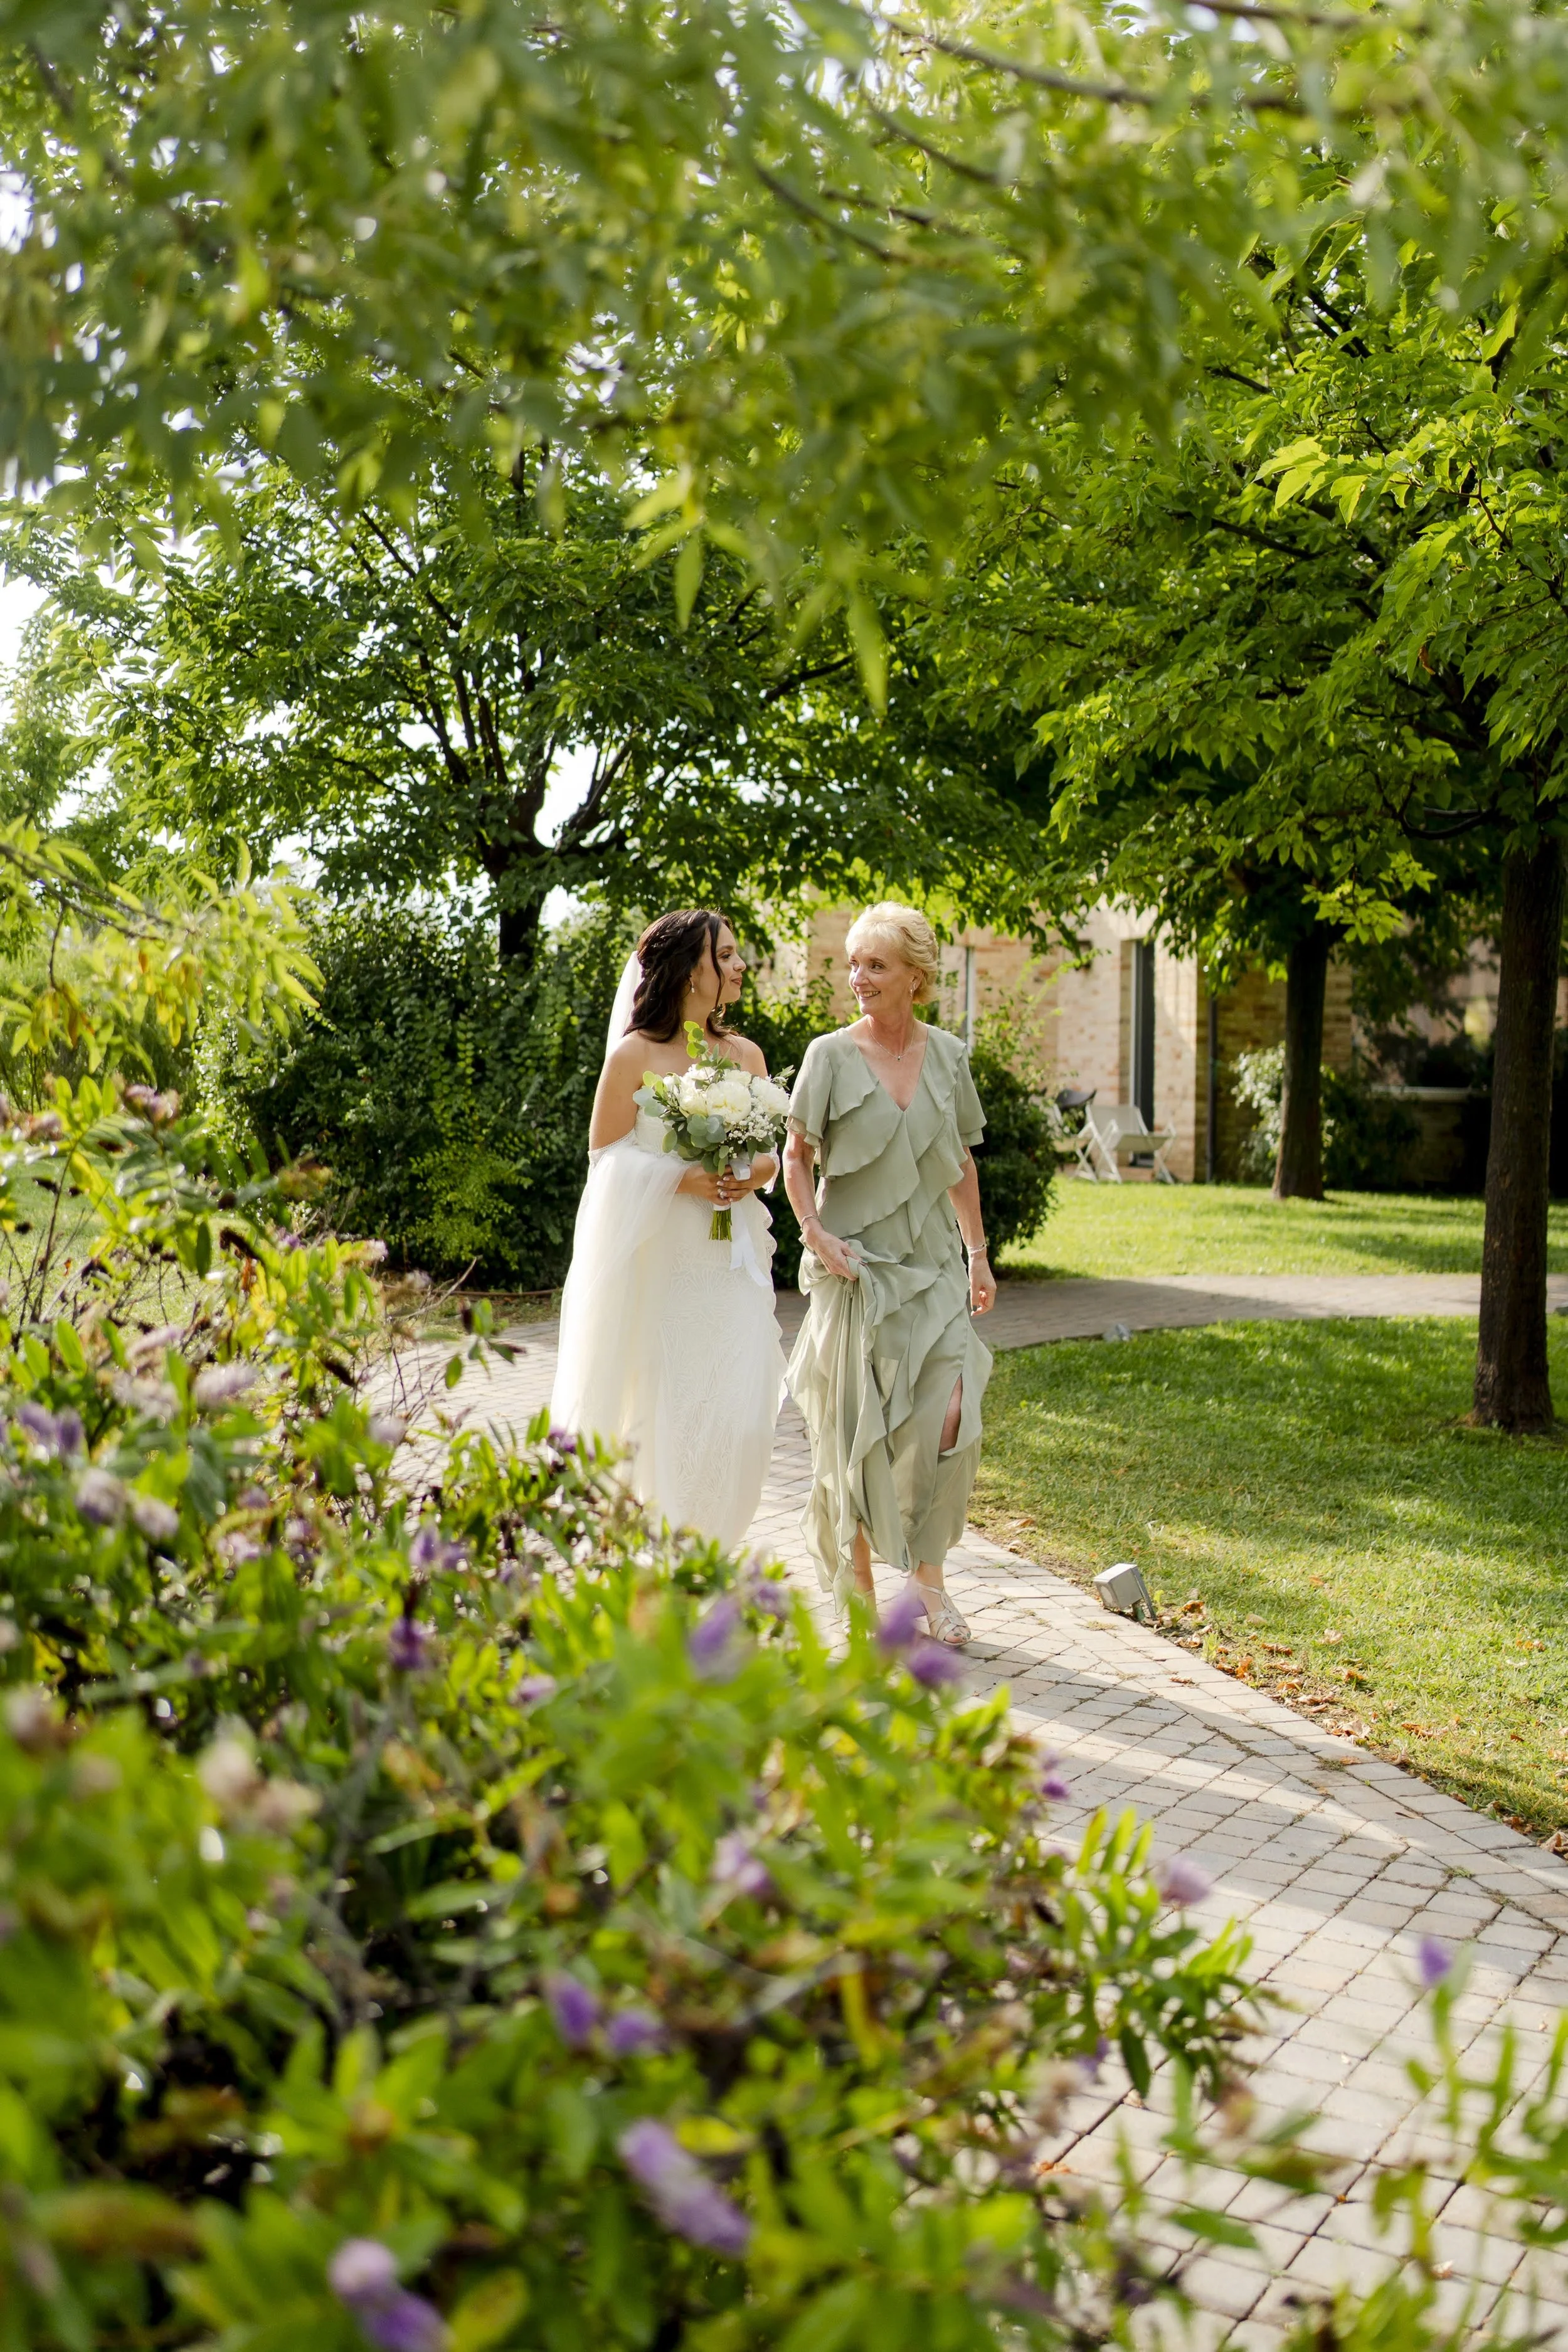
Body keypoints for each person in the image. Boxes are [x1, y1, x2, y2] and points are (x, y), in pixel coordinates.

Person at [782, 903, 996, 1644]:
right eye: (854, 964)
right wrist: (814, 1235)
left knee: (950, 1413)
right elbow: (795, 1157)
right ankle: (864, 1598)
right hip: (857, 1271)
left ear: (915, 977)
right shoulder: (828, 1057)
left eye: (876, 965)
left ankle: (928, 1581)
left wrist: (977, 1252)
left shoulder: (949, 1058)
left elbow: (961, 1164)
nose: (858, 978)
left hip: (933, 1263)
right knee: (857, 1436)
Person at [550, 909, 786, 1548]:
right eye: (728, 956)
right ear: (690, 972)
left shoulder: (746, 1054)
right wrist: (681, 1178)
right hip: (664, 1261)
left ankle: (715, 1540)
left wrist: (746, 1170)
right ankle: (673, 1556)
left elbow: (772, 1155)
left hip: (730, 1263)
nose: (740, 966)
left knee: (740, 1416)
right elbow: (605, 1158)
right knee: (671, 1413)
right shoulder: (635, 1055)